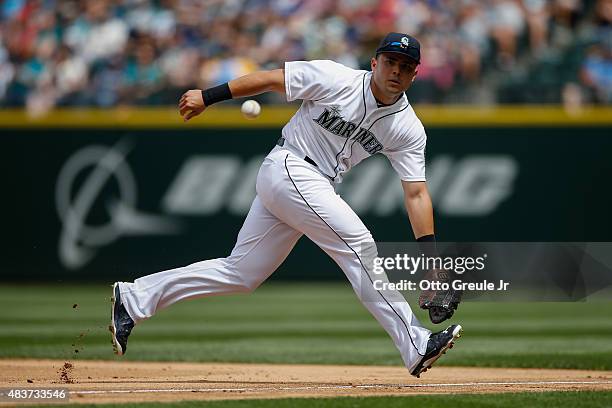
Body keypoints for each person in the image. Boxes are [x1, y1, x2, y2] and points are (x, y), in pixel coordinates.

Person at [110, 32, 462, 378]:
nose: (396, 71)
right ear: (374, 63)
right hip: (291, 165)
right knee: (360, 246)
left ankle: (134, 298)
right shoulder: (335, 78)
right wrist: (208, 95)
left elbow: (416, 193)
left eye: (405, 65)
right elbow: (269, 79)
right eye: (390, 62)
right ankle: (416, 343)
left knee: (241, 273)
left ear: (416, 74)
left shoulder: (408, 128)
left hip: (312, 184)